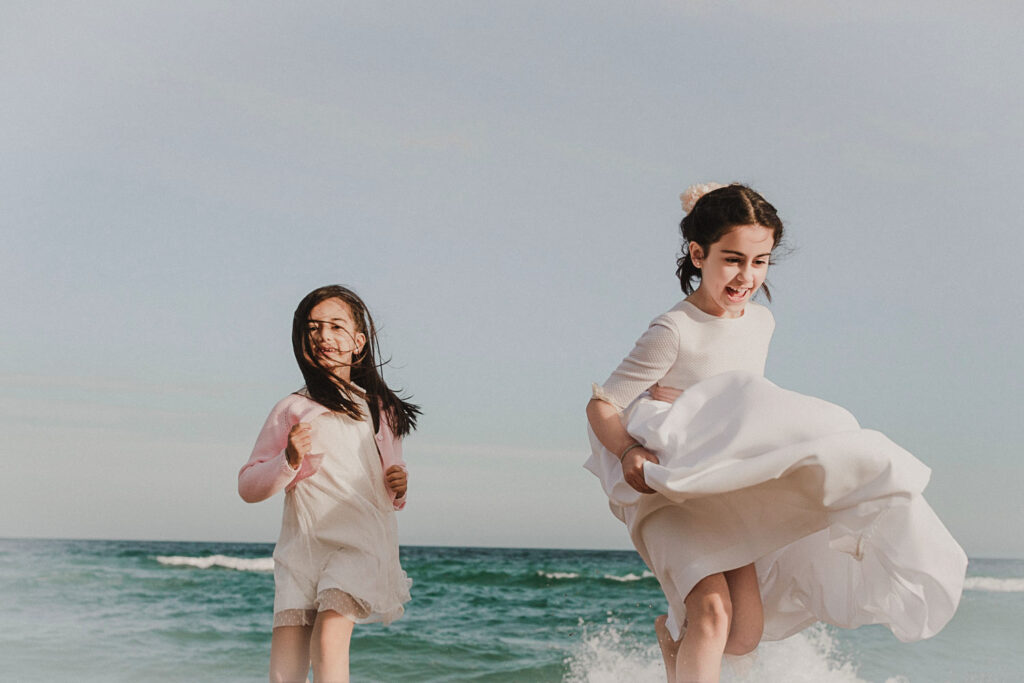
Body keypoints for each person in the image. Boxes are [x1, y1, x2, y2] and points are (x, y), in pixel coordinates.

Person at [584, 183, 966, 683]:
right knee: (713, 614)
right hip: (669, 489)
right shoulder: (673, 330)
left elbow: (745, 402)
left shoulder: (760, 322)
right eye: (732, 259)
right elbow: (602, 402)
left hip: (726, 487)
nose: (746, 276)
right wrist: (630, 449)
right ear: (698, 254)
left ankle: (673, 654)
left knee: (745, 635)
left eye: (760, 261)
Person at [239, 285, 420, 683]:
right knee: (284, 672)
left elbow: (391, 483)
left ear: (358, 342)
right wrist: (288, 461)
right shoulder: (292, 408)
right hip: (301, 551)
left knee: (328, 641)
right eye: (314, 328)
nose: (324, 336)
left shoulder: (380, 409)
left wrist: (399, 484)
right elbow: (249, 486)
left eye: (337, 327)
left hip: (359, 543)